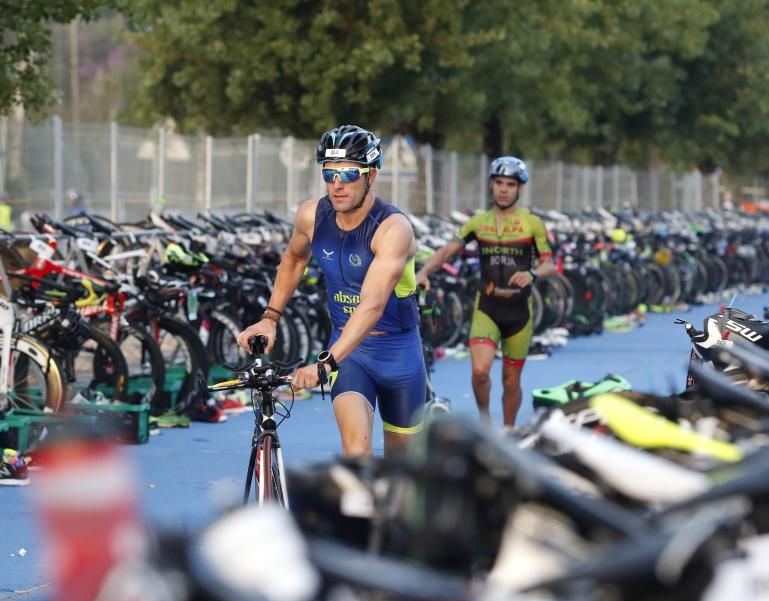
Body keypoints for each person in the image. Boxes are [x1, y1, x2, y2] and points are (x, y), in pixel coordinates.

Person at [235, 125, 423, 458]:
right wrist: (270, 318)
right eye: (329, 173)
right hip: (351, 355)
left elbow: (372, 305)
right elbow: (294, 258)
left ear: (371, 176)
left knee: (403, 472)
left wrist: (324, 363)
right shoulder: (311, 215)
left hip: (399, 353)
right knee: (356, 458)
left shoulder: (393, 229)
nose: (337, 184)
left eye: (350, 173)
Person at [416, 156, 556, 429]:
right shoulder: (477, 223)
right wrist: (424, 272)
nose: (504, 189)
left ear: (520, 189)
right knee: (480, 372)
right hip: (487, 309)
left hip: (519, 313)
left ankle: (510, 431)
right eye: (499, 183)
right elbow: (447, 250)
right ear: (491, 185)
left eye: (511, 184)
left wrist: (532, 274)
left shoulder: (532, 224)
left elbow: (549, 264)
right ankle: (485, 424)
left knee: (511, 380)